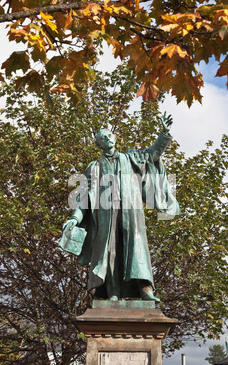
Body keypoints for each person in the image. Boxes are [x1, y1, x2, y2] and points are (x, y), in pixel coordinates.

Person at [61, 113, 180, 301]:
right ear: (99, 145)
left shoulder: (132, 158)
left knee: (136, 246)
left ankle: (145, 289)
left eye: (109, 135)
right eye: (102, 138)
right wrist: (75, 218)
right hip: (105, 217)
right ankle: (112, 293)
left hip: (131, 214)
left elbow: (153, 153)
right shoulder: (94, 167)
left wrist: (164, 133)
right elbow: (84, 197)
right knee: (110, 253)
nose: (107, 138)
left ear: (115, 138)